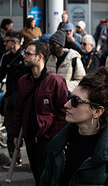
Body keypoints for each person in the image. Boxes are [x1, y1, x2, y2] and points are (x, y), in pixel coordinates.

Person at [40, 67, 108, 186]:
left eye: (75, 101)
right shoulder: (59, 143)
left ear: (97, 111)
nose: (66, 105)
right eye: (70, 97)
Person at [13, 42, 68, 185]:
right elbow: (18, 110)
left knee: (48, 176)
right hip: (30, 137)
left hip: (48, 139)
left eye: (28, 54)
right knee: (37, 176)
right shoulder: (23, 81)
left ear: (40, 57)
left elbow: (64, 111)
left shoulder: (55, 81)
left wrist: (52, 135)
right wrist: (15, 134)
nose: (24, 56)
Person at [0, 31, 27, 167]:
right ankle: (15, 158)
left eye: (7, 41)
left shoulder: (25, 57)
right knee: (10, 129)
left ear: (14, 43)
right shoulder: (5, 57)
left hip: (25, 98)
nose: (5, 44)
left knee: (27, 129)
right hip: (10, 97)